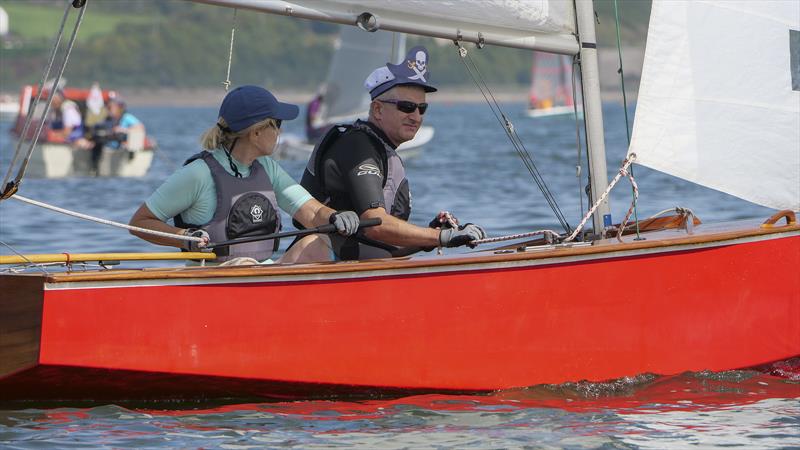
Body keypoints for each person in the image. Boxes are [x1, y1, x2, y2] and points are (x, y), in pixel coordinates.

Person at [129, 85, 361, 265]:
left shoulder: (267, 168)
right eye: (277, 124)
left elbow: (312, 212)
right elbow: (140, 223)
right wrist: (184, 237)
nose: (281, 131)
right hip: (215, 282)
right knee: (245, 264)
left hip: (263, 276)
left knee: (317, 243)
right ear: (256, 132)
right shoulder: (198, 175)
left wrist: (335, 217)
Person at [299, 46, 486, 260]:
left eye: (422, 108)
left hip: (361, 268)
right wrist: (441, 237)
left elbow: (384, 244)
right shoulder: (358, 146)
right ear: (377, 109)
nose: (416, 116)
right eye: (406, 107)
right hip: (324, 267)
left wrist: (433, 233)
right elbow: (375, 225)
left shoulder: (383, 150)